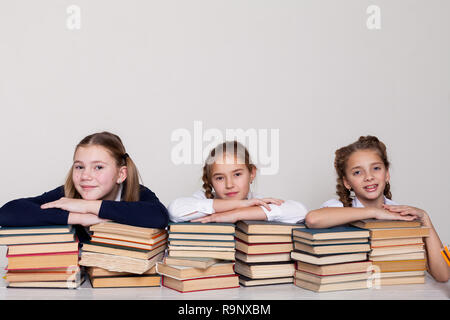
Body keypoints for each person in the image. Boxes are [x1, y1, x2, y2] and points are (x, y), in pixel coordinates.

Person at [305, 135, 449, 282]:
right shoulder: (338, 208)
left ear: (387, 174)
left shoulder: (401, 215)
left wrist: (425, 217)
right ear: (347, 182)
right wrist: (374, 212)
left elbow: (443, 275)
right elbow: (313, 219)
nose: (369, 177)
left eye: (376, 168)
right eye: (357, 172)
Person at [0, 132, 169, 233]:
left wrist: (88, 206)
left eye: (98, 167)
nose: (85, 176)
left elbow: (159, 216)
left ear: (121, 174)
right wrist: (78, 217)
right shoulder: (67, 194)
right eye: (79, 167)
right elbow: (7, 213)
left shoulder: (138, 193)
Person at [168, 141, 307, 224]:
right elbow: (175, 210)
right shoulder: (203, 198)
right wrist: (240, 204)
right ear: (210, 181)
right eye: (220, 178)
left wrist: (236, 214)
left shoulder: (257, 201)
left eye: (237, 174)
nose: (229, 185)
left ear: (252, 173)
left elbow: (300, 211)